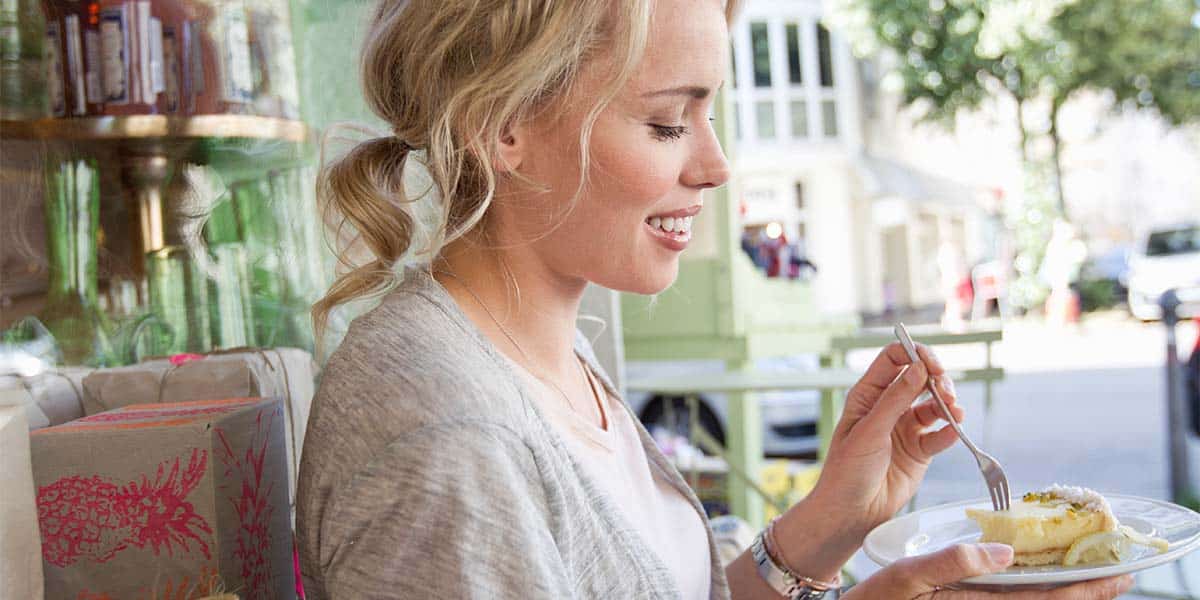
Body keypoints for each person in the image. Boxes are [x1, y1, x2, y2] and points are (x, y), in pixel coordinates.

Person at [295, 1, 1134, 598]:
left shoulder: (544, 356)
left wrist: (829, 522)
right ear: (502, 126)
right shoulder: (437, 429)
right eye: (668, 123)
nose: (715, 164)